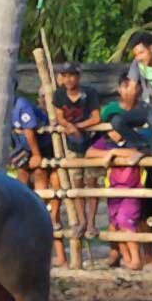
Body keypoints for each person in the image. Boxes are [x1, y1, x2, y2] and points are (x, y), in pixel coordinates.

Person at [11, 84, 64, 267]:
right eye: (41, 96)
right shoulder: (10, 105)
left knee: (49, 203)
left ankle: (59, 256)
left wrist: (36, 154)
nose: (44, 100)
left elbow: (29, 132)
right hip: (25, 153)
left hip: (43, 151)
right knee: (23, 179)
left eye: (47, 97)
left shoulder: (22, 106)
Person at [54, 61, 102, 237]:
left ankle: (91, 222)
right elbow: (59, 117)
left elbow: (96, 118)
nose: (68, 79)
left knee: (91, 182)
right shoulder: (59, 95)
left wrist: (79, 126)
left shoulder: (89, 93)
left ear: (78, 77)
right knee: (77, 182)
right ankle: (81, 220)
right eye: (65, 76)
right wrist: (68, 125)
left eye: (71, 75)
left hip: (91, 143)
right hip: (73, 145)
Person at [85, 134, 145, 270]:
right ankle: (127, 258)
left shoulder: (133, 137)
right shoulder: (106, 141)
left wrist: (113, 153)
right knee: (116, 224)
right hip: (114, 190)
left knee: (126, 221)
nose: (113, 133)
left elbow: (136, 153)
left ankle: (136, 259)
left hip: (131, 190)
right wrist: (108, 153)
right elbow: (89, 152)